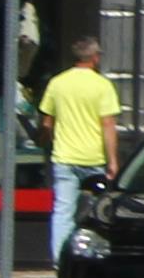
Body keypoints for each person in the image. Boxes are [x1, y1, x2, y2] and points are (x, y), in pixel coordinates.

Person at [37, 37, 123, 261]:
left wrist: (43, 141)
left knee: (63, 211)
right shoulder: (102, 85)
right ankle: (94, 255)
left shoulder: (58, 83)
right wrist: (112, 159)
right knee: (98, 211)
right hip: (93, 158)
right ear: (95, 58)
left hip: (64, 157)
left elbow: (47, 123)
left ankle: (59, 261)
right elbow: (108, 124)